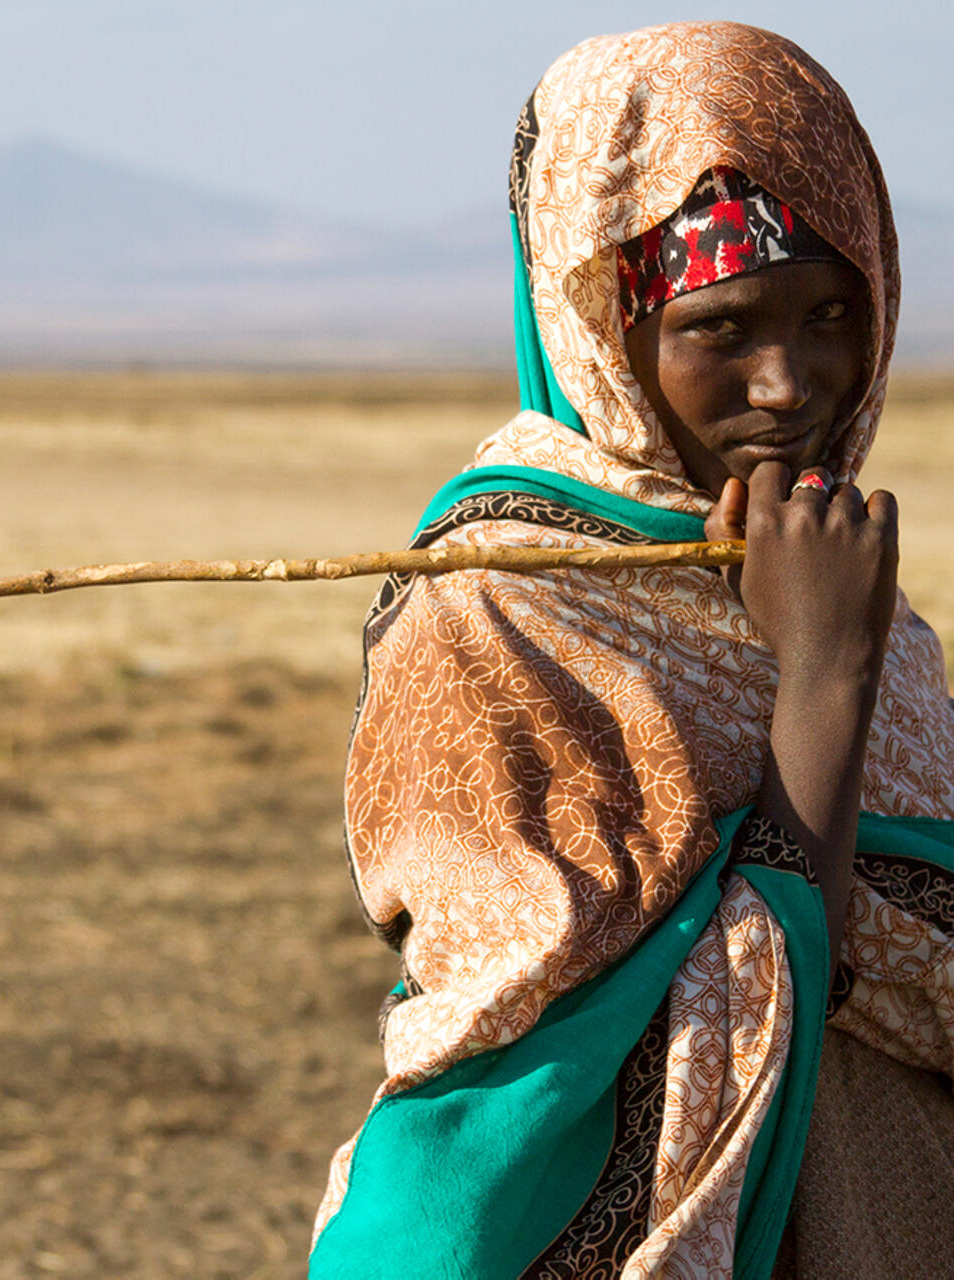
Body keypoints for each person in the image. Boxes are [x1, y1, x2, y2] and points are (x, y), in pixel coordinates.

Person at [309, 22, 954, 1280]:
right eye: (719, 328)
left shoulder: (850, 586)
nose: (788, 381)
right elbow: (546, 1037)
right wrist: (822, 677)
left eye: (831, 312)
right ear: (601, 324)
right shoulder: (493, 610)